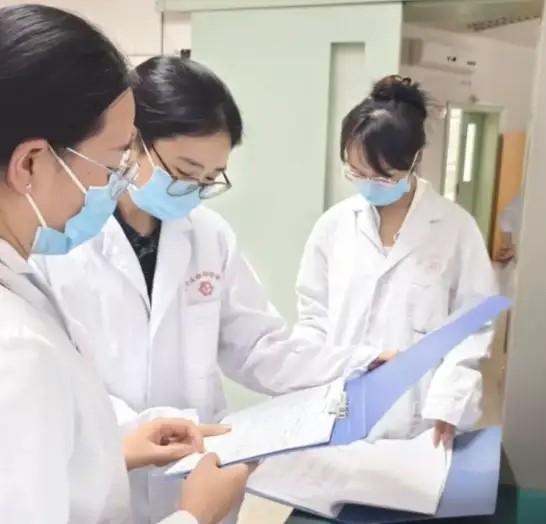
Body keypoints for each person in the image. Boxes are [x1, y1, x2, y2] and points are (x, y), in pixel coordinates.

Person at [32, 55, 387, 523]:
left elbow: (259, 346)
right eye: (183, 171)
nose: (193, 190)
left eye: (208, 179)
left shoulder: (209, 235)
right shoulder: (61, 239)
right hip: (105, 476)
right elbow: (60, 380)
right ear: (132, 141)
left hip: (197, 473)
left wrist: (357, 364)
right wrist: (135, 430)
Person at [0, 5, 250, 523]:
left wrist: (113, 447)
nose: (118, 184)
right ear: (30, 163)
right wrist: (194, 518)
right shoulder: (17, 346)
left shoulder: (21, 288)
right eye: (114, 163)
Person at [296, 76, 500, 447]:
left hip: (419, 420)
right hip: (339, 409)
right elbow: (313, 316)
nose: (368, 184)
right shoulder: (333, 226)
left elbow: (472, 325)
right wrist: (306, 385)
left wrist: (451, 401)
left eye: (383, 177)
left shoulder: (455, 228)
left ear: (414, 160)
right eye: (356, 172)